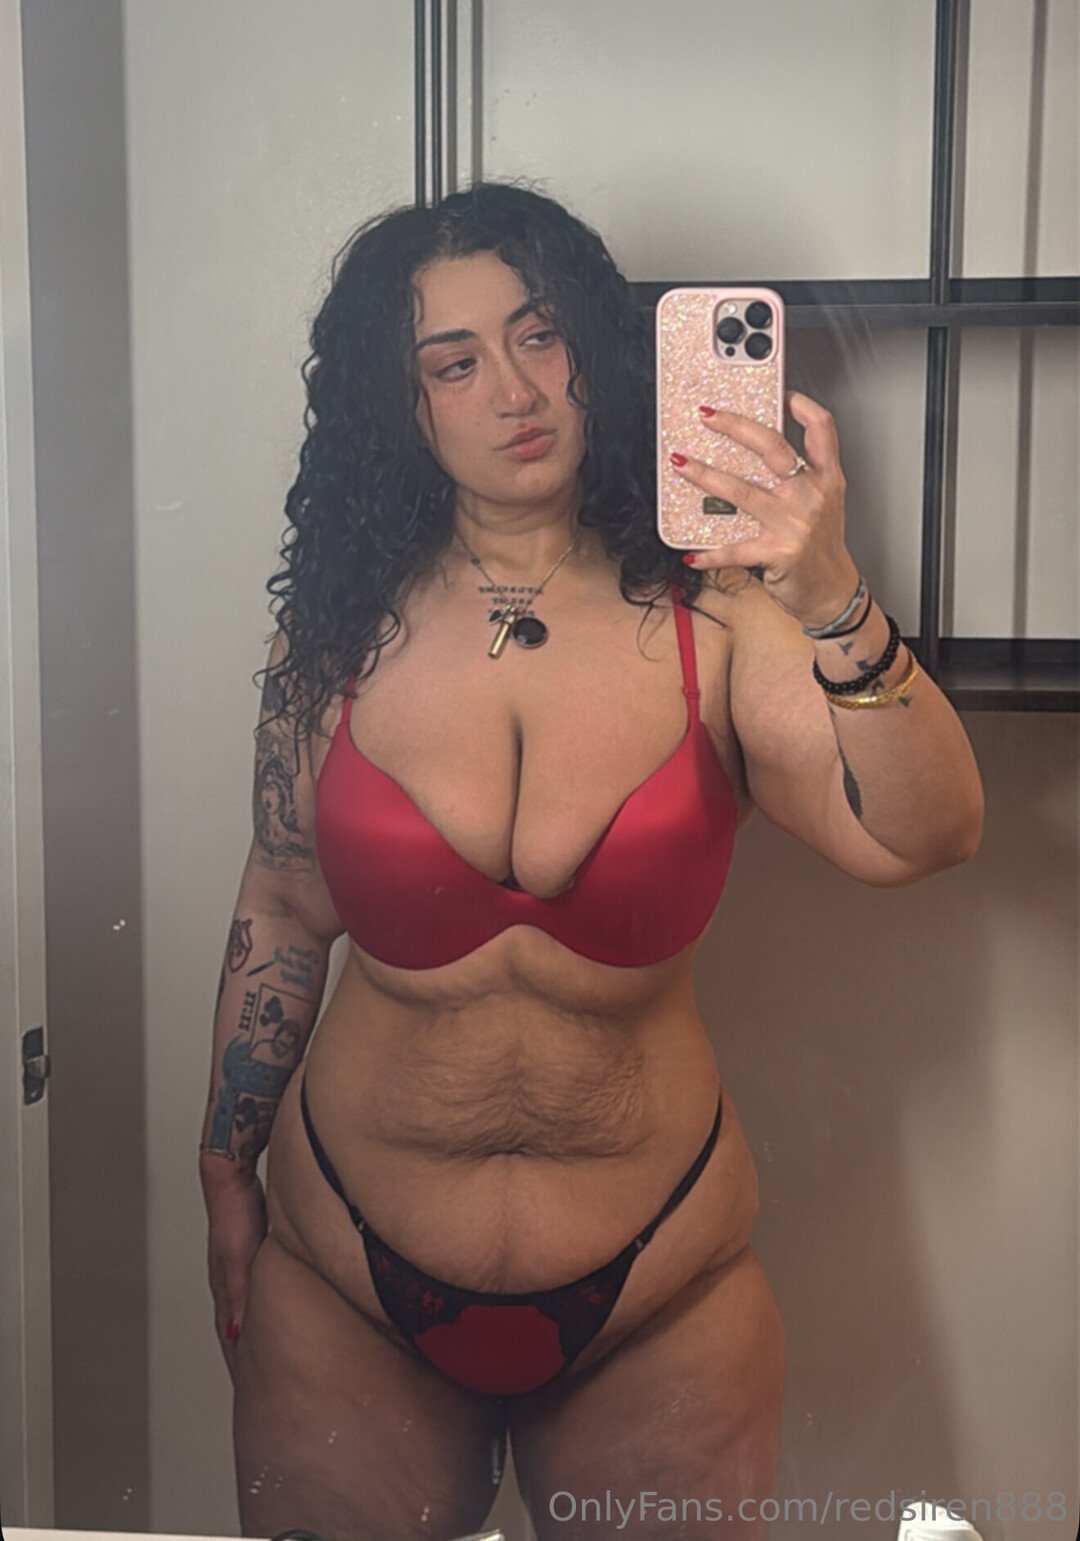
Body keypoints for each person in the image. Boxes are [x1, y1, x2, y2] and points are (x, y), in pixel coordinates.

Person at [198, 183, 983, 1541]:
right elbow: (279, 904)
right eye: (456, 362)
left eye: (540, 334)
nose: (516, 390)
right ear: (406, 406)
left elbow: (928, 832)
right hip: (347, 1289)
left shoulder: (719, 618)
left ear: (594, 350)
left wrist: (830, 594)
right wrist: (223, 1168)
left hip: (657, 1295)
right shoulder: (332, 640)